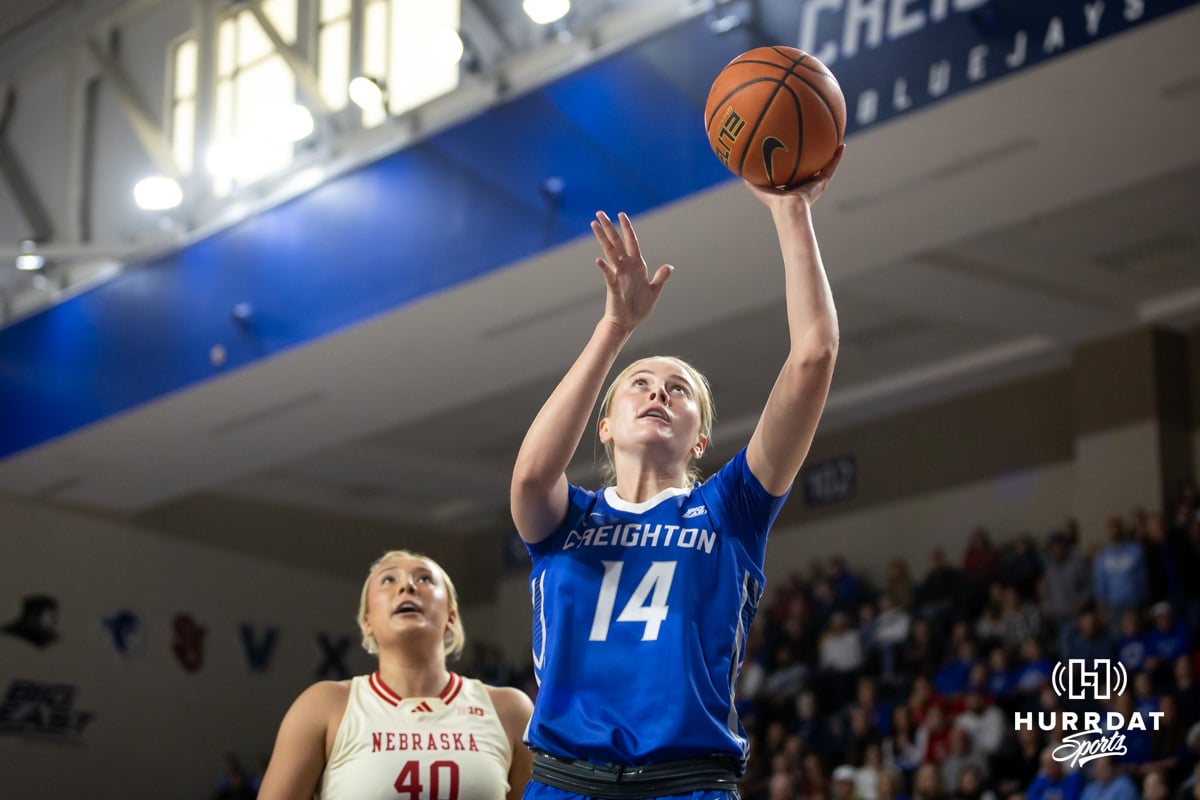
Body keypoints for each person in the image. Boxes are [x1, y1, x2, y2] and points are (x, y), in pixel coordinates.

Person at [509, 147, 844, 796]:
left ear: (701, 439)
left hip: (686, 783)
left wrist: (791, 211)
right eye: (639, 384)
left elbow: (814, 356)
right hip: (564, 782)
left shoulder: (730, 510)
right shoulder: (566, 520)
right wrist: (615, 329)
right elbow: (527, 478)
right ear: (603, 425)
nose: (659, 393)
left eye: (679, 390)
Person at [257, 550, 534, 800]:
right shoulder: (323, 706)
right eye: (388, 580)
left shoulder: (510, 709)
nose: (407, 586)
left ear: (451, 616)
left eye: (425, 579)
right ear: (367, 622)